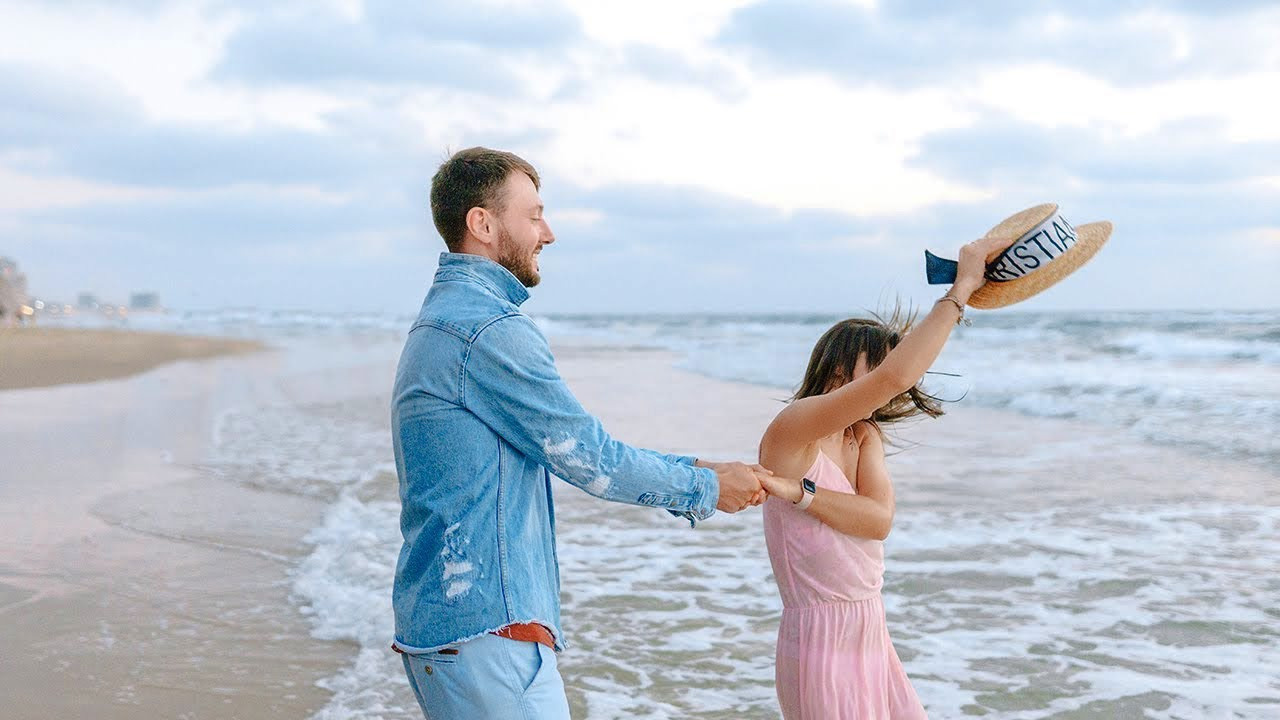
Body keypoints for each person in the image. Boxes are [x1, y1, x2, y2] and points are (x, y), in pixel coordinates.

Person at [390, 147, 771, 720]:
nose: (549, 232)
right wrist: (707, 491)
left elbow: (578, 448)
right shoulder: (487, 329)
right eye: (534, 214)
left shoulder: (451, 319)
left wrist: (702, 469)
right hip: (486, 629)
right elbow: (593, 460)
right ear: (483, 224)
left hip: (454, 625)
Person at [755, 235, 1003, 719]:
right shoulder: (794, 428)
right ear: (844, 364)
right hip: (819, 637)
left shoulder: (861, 434)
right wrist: (961, 290)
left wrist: (802, 494)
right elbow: (895, 378)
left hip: (868, 625)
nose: (893, 382)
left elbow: (877, 520)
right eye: (883, 363)